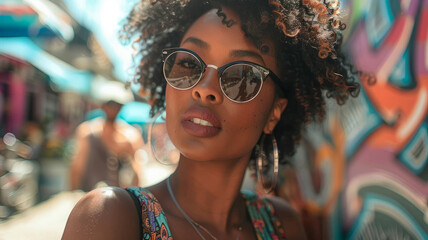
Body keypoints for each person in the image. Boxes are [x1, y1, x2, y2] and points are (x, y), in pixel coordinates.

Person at [63, 0, 361, 239]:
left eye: (241, 76)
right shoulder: (110, 218)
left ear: (274, 113)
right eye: (188, 64)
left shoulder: (284, 226)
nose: (205, 90)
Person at [69, 100, 142, 191]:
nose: (113, 108)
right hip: (91, 191)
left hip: (117, 194)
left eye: (116, 105)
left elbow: (137, 169)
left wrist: (132, 195)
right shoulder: (87, 131)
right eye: (110, 104)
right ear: (103, 106)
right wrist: (73, 190)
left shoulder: (129, 135)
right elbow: (78, 165)